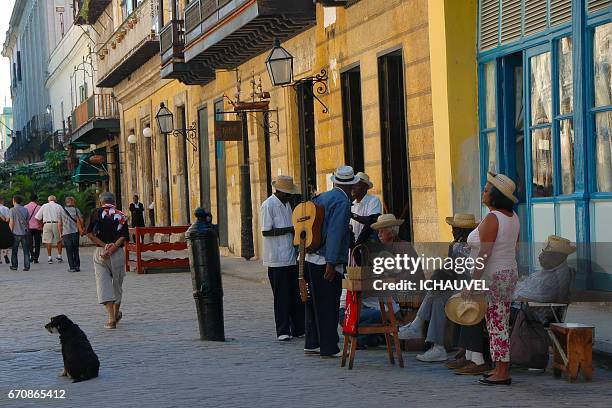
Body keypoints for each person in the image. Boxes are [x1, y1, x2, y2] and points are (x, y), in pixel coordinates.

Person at [399, 213, 479, 363]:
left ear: (463, 231)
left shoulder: (473, 247)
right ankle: (437, 346)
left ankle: (420, 327)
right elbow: (449, 269)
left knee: (437, 294)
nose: (452, 231)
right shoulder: (454, 246)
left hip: (470, 287)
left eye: (455, 229)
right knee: (436, 296)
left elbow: (463, 273)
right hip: (456, 286)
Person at [464, 171, 520, 386]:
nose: (483, 192)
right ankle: (499, 367)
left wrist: (474, 282)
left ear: (495, 195)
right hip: (507, 273)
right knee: (497, 321)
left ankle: (503, 371)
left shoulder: (493, 218)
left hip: (495, 276)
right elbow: (513, 247)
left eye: (487, 190)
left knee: (497, 323)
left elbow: (484, 255)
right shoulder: (512, 217)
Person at [304, 165, 358, 358]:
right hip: (326, 260)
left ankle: (312, 342)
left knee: (313, 303)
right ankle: (328, 346)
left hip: (311, 256)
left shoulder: (322, 197)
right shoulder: (342, 201)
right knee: (328, 304)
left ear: (335, 181)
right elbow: (335, 233)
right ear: (352, 185)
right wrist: (331, 262)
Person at [260, 175, 305, 341]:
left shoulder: (287, 205)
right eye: (288, 194)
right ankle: (283, 330)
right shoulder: (268, 205)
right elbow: (266, 231)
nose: (290, 196)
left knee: (295, 294)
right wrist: (290, 229)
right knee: (281, 296)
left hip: (290, 257)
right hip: (276, 258)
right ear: (280, 192)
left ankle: (298, 328)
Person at [87, 192, 130, 330]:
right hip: (117, 253)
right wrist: (112, 248)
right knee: (117, 284)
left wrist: (104, 245)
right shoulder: (121, 215)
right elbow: (123, 236)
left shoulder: (95, 213)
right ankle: (116, 314)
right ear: (114, 202)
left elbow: (89, 233)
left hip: (100, 253)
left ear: (101, 202)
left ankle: (111, 319)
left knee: (103, 284)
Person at [513, 235, 575, 304]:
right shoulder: (551, 268)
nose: (540, 256)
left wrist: (510, 296)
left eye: (545, 253)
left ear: (557, 257)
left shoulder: (554, 279)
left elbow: (527, 299)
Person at [350, 172, 382, 246]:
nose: (353, 188)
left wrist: (352, 215)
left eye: (356, 185)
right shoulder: (352, 204)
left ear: (365, 187)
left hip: (369, 245)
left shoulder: (373, 200)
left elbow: (371, 221)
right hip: (356, 246)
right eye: (352, 185)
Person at [34, 195, 64, 264]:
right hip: (56, 224)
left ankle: (49, 257)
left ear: (48, 200)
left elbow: (37, 217)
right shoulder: (58, 206)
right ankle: (59, 256)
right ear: (55, 200)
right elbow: (63, 216)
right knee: (59, 240)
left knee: (48, 241)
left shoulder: (44, 206)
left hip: (46, 224)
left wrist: (41, 225)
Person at [58, 196, 84, 272]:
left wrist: (60, 233)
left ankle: (72, 267)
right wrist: (82, 228)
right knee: (76, 250)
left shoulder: (61, 210)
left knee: (69, 250)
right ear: (72, 202)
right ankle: (77, 266)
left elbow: (59, 223)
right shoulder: (76, 210)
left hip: (66, 233)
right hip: (75, 232)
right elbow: (81, 220)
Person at [8, 195, 30, 271]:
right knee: (26, 251)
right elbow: (27, 221)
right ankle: (27, 266)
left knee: (14, 251)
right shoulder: (25, 210)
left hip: (15, 234)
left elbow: (11, 222)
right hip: (24, 233)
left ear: (14, 201)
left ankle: (14, 266)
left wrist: (10, 232)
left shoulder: (12, 210)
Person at [25, 194, 42, 263]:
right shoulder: (39, 207)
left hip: (29, 227)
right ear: (36, 199)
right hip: (37, 227)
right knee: (37, 243)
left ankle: (32, 255)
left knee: (29, 243)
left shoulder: (25, 207)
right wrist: (41, 226)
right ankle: (36, 258)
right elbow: (41, 218)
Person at [0, 196, 12, 264]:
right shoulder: (6, 208)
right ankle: (5, 255)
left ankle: (0, 260)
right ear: (2, 201)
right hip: (4, 226)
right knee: (5, 241)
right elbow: (8, 219)